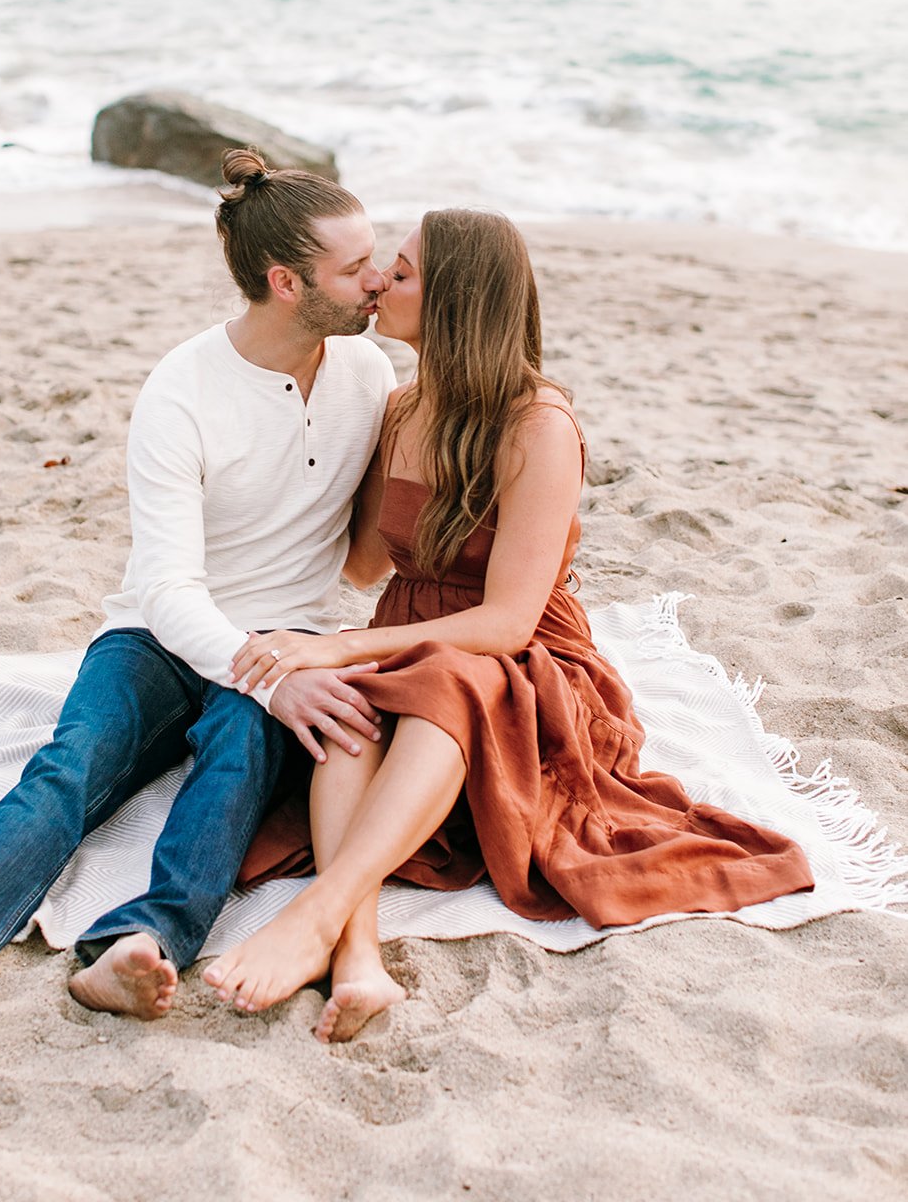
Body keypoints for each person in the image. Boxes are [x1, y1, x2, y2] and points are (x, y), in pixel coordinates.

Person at [202, 208, 815, 1043]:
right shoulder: (400, 407)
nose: (381, 280)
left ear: (456, 301)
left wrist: (344, 641)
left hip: (521, 658)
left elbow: (505, 619)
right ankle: (356, 957)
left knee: (440, 676)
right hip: (412, 631)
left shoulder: (538, 425)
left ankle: (319, 913)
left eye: (405, 272)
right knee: (342, 701)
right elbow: (359, 567)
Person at [0, 150, 395, 1020]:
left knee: (237, 766)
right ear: (286, 282)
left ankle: (142, 943)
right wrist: (270, 674)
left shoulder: (369, 374)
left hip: (292, 632)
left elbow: (364, 559)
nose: (380, 278)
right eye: (355, 266)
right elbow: (167, 586)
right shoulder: (182, 390)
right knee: (72, 765)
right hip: (161, 634)